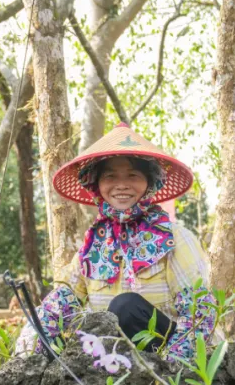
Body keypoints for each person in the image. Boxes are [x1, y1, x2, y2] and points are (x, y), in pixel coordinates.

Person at [15, 123, 215, 362]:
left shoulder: (173, 238)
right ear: (96, 183)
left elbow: (199, 314)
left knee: (125, 307)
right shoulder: (93, 246)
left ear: (149, 182)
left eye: (132, 175)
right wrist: (25, 353)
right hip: (113, 366)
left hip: (169, 360)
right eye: (110, 176)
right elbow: (60, 302)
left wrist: (172, 369)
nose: (121, 184)